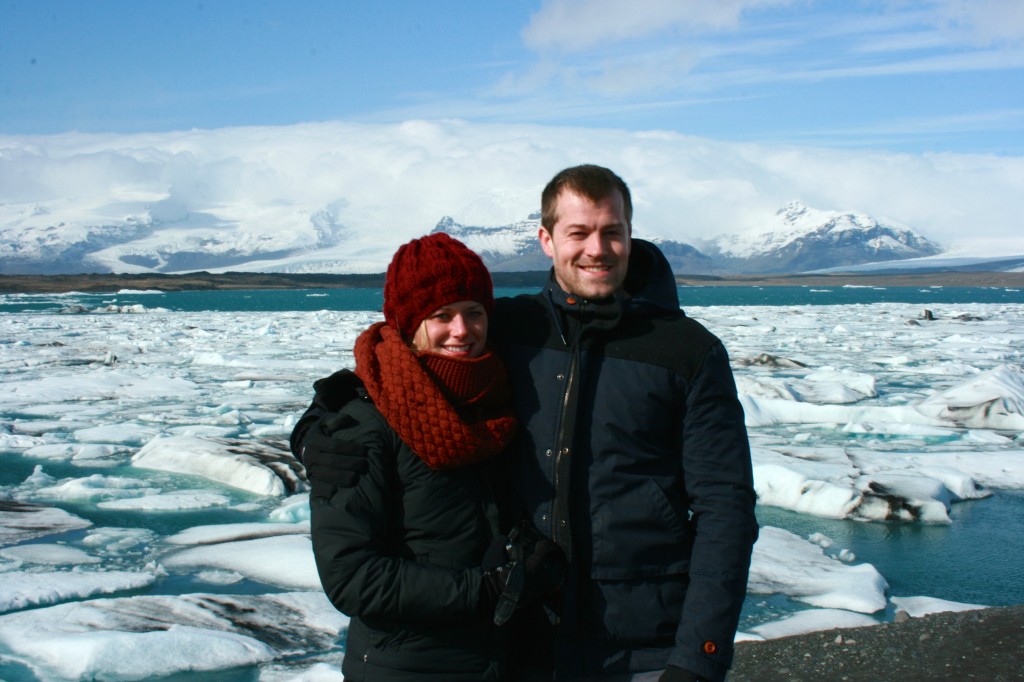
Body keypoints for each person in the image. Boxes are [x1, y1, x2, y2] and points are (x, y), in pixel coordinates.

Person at [489, 165, 758, 682]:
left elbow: (726, 509)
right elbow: (418, 360)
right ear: (546, 240)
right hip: (524, 637)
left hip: (646, 648)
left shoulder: (686, 351)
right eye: (579, 233)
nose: (597, 248)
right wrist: (333, 415)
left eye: (612, 232)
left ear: (630, 236)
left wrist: (699, 657)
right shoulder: (512, 329)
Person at [290, 233, 564, 681]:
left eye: (474, 312)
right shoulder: (362, 422)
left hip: (499, 661)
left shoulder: (495, 399)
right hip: (407, 665)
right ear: (409, 323)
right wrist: (491, 588)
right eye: (442, 315)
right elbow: (352, 575)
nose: (462, 330)